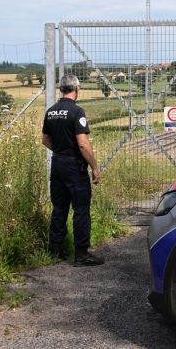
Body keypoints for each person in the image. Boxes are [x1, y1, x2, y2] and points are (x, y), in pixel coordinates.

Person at [42, 74, 104, 267]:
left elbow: (45, 140)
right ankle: (81, 253)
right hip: (74, 166)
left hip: (57, 163)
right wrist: (94, 167)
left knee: (59, 208)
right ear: (76, 89)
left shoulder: (51, 111)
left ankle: (56, 249)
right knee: (81, 209)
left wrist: (60, 151)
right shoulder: (77, 112)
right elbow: (83, 144)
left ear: (61, 89)